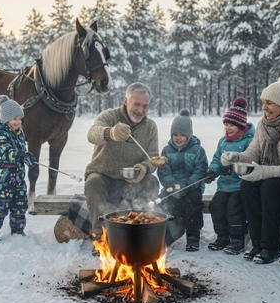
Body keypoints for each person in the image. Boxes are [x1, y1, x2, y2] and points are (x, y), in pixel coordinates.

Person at [220, 75, 280, 264]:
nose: (264, 108)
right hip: (270, 176)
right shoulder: (264, 124)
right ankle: (257, 244)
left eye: (269, 103)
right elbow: (253, 152)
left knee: (269, 186)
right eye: (263, 102)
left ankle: (271, 247)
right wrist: (235, 157)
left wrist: (263, 172)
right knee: (248, 185)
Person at [83, 82, 160, 241]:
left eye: (145, 106)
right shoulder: (110, 116)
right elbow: (92, 134)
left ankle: (137, 231)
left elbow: (152, 157)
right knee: (93, 182)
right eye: (137, 104)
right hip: (104, 177)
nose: (141, 110)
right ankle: (100, 238)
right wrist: (111, 133)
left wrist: (143, 169)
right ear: (126, 101)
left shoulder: (150, 126)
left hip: (131, 182)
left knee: (151, 182)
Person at [206, 97, 255, 254]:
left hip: (239, 185)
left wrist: (233, 168)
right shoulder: (222, 141)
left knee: (233, 209)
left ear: (241, 125)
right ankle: (222, 237)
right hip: (223, 185)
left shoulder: (249, 141)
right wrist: (213, 170)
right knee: (216, 206)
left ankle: (237, 239)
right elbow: (216, 159)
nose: (228, 128)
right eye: (226, 124)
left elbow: (251, 161)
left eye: (232, 124)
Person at [0, 95, 36, 243]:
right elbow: (4, 152)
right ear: (5, 118)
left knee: (20, 204)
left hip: (18, 177)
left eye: (20, 118)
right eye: (15, 119)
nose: (18, 122)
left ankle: (18, 230)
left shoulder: (18, 132)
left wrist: (27, 158)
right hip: (3, 179)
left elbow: (20, 151)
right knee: (0, 206)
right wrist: (20, 154)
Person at [157, 109, 208, 251]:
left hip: (191, 187)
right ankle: (167, 233)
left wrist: (187, 185)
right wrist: (171, 184)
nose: (178, 138)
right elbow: (163, 170)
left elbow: (200, 171)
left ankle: (193, 235)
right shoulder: (167, 150)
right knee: (164, 202)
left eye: (182, 135)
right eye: (175, 134)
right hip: (172, 186)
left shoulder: (197, 150)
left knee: (191, 205)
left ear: (188, 135)